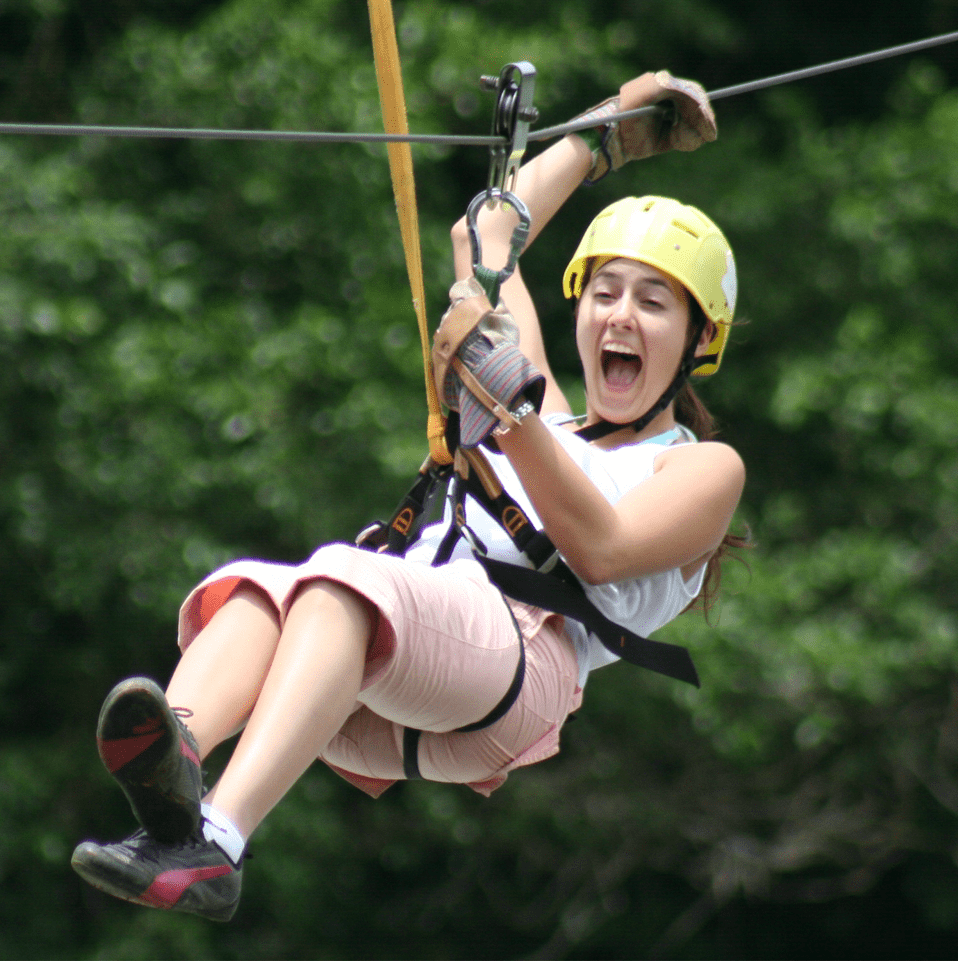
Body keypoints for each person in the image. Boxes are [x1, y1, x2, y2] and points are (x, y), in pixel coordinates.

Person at [70, 71, 746, 922]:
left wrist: (507, 408)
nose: (619, 316)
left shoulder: (700, 467)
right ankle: (176, 771)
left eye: (652, 304)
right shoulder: (546, 411)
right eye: (604, 293)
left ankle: (220, 840)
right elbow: (483, 234)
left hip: (516, 666)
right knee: (255, 590)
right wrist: (602, 134)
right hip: (378, 681)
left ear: (698, 341)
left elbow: (602, 549)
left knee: (340, 581)